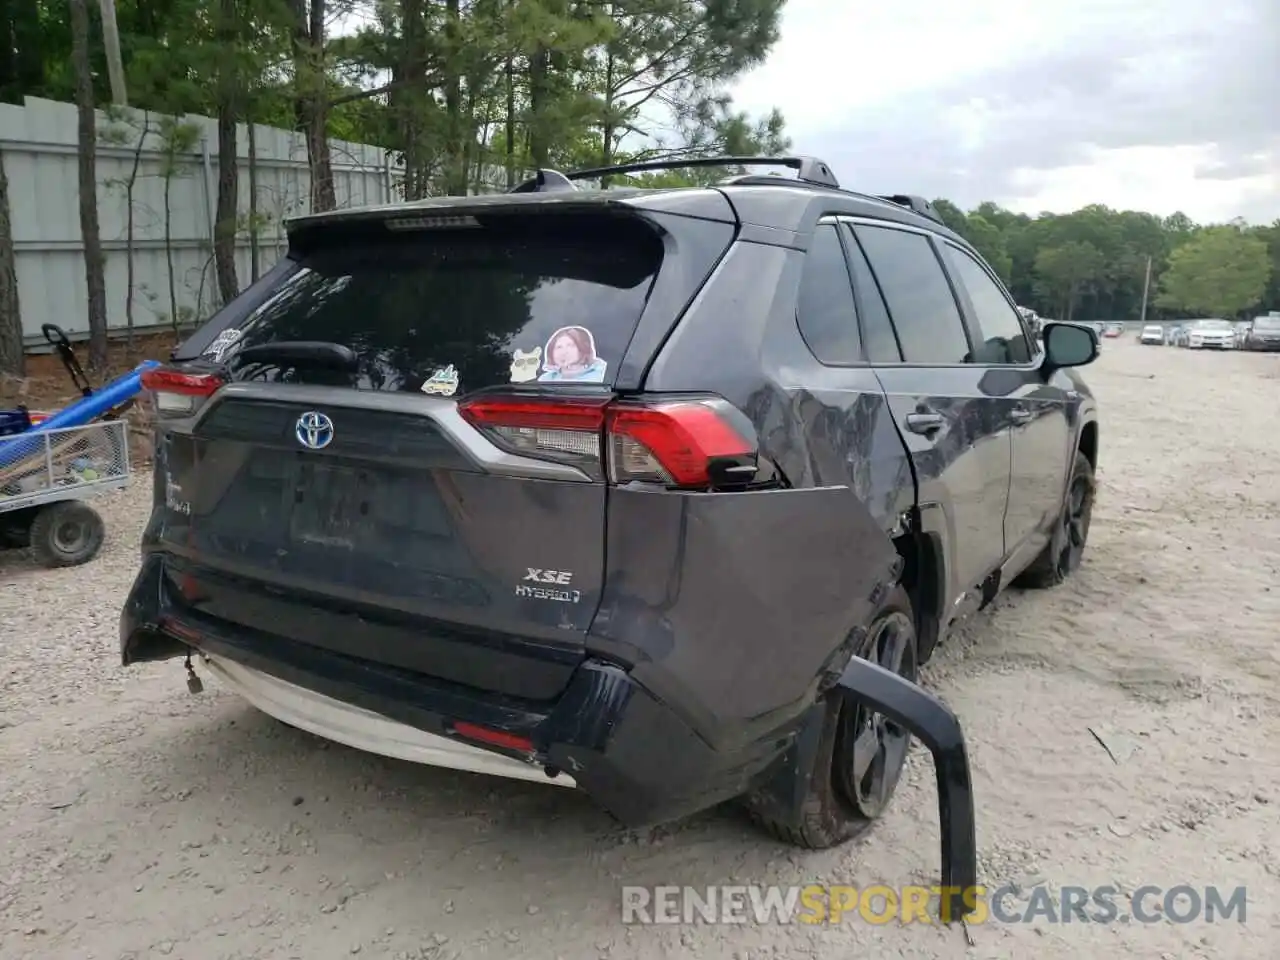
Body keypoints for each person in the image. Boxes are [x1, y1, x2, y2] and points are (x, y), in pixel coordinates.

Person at [538, 325, 607, 382]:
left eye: (571, 345)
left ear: (583, 348)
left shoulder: (602, 376)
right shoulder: (546, 379)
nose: (563, 352)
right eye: (559, 347)